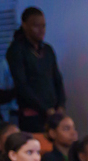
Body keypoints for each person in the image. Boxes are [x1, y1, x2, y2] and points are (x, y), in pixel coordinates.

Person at [6, 7, 65, 136]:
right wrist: (45, 109)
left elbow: (57, 78)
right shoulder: (17, 50)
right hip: (32, 115)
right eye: (36, 26)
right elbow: (22, 85)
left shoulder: (47, 49)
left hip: (54, 113)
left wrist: (61, 105)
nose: (41, 30)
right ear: (24, 25)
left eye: (43, 26)